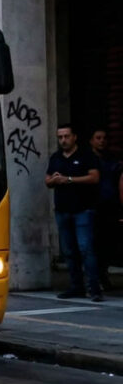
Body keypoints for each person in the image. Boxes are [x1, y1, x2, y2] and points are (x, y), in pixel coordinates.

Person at [47, 124, 103, 301]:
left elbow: (94, 177)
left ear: (74, 137)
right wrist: (54, 179)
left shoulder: (86, 156)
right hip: (62, 210)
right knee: (69, 251)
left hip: (83, 210)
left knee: (85, 249)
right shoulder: (56, 158)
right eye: (60, 137)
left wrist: (69, 179)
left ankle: (94, 288)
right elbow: (47, 181)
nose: (63, 140)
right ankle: (76, 286)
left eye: (66, 136)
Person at [93, 129, 120, 290]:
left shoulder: (112, 160)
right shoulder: (88, 159)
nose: (101, 141)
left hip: (109, 206)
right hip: (93, 207)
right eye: (98, 138)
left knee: (108, 244)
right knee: (94, 245)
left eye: (104, 138)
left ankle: (103, 274)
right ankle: (97, 277)